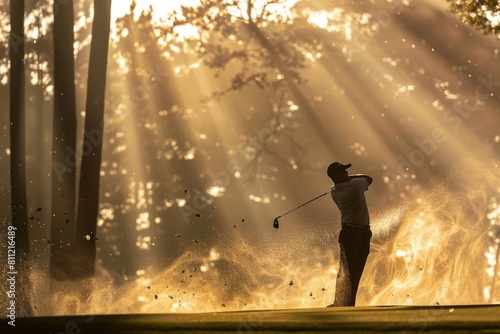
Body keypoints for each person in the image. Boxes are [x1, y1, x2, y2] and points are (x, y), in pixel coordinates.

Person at [326, 162, 372, 307]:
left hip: (361, 232)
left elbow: (362, 180)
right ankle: (339, 303)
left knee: (355, 271)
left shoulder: (334, 190)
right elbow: (369, 178)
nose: (347, 174)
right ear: (336, 176)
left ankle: (347, 303)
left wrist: (343, 178)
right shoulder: (354, 186)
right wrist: (349, 178)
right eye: (343, 172)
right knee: (347, 271)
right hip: (352, 233)